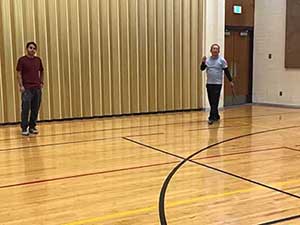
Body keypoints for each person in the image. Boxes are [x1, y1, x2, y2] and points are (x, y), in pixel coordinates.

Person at [200, 43, 234, 125]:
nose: (215, 50)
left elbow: (226, 71)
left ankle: (211, 117)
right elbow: (202, 69)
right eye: (213, 49)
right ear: (211, 51)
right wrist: (203, 62)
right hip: (209, 83)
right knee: (211, 100)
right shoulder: (207, 60)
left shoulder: (222, 60)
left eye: (216, 49)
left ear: (218, 51)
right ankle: (216, 115)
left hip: (217, 84)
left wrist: (230, 81)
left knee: (215, 100)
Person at [16, 42, 44, 136]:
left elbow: (42, 71)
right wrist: (21, 86)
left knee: (35, 108)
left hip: (37, 88)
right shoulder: (22, 60)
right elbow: (19, 73)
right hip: (27, 88)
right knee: (25, 108)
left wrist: (41, 82)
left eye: (34, 48)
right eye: (30, 48)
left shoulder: (38, 60)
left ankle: (32, 127)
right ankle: (24, 128)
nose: (32, 50)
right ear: (27, 49)